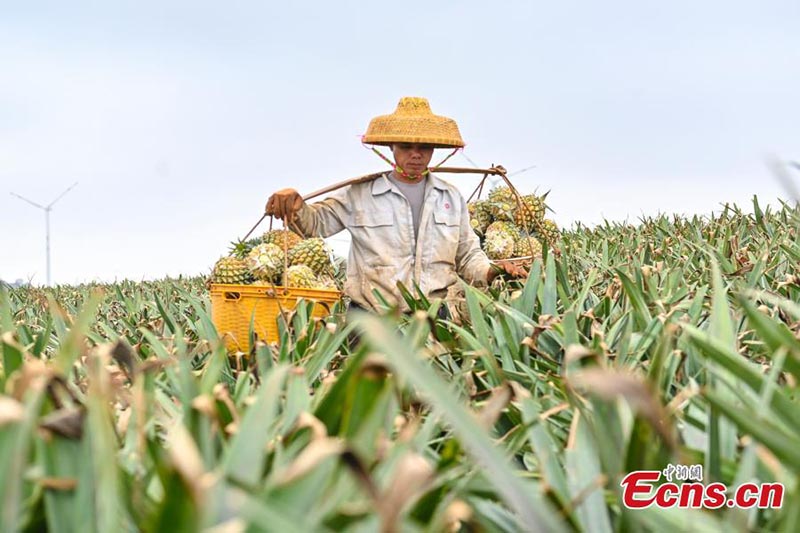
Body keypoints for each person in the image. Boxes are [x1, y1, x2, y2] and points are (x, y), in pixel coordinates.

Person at [265, 96, 527, 314]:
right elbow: (315, 224)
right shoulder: (360, 194)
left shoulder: (450, 197)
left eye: (424, 147)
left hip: (433, 318)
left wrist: (491, 271)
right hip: (372, 320)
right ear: (391, 147)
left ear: (434, 148)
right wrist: (296, 205)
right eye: (406, 146)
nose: (416, 153)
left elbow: (468, 256)